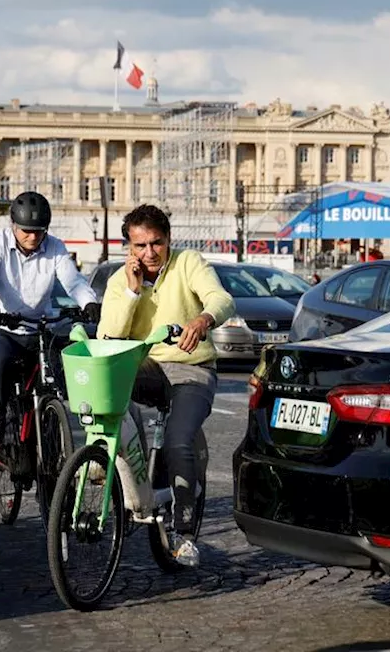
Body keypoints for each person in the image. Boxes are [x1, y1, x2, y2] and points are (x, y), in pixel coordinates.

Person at [98, 204, 236, 567]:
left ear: (168, 240)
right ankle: (124, 469)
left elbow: (222, 299)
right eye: (139, 246)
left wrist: (203, 319)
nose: (148, 254)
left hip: (193, 370)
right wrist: (132, 293)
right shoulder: (120, 280)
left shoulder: (188, 262)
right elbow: (110, 336)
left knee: (178, 438)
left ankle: (184, 532)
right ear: (129, 247)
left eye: (156, 244)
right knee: (107, 389)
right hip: (147, 368)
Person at [0, 192, 100, 449]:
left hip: (41, 327)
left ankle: (60, 422)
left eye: (39, 231)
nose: (33, 237)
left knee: (64, 368)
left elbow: (73, 281)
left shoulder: (55, 247)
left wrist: (89, 303)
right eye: (26, 231)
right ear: (13, 226)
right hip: (3, 326)